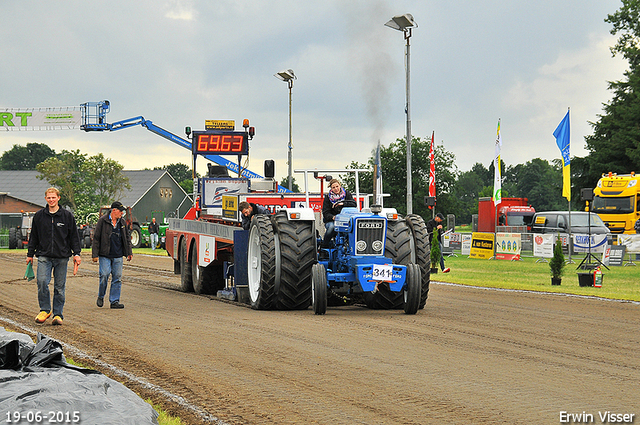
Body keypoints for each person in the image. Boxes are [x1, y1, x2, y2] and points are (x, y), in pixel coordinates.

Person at [27, 187, 82, 326]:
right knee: (41, 282)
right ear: (45, 199)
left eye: (54, 197)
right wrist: (30, 255)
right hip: (44, 256)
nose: (51, 200)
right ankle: (45, 310)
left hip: (62, 257)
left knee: (59, 287)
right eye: (49, 198)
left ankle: (58, 314)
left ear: (58, 198)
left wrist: (77, 254)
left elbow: (74, 237)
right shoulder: (39, 216)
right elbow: (33, 237)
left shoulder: (67, 216)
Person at [92, 201, 133, 309]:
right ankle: (101, 296)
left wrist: (129, 252)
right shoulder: (102, 221)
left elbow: (127, 238)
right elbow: (96, 238)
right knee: (104, 275)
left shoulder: (123, 223)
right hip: (105, 254)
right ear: (114, 210)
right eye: (120, 211)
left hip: (118, 255)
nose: (122, 213)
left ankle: (114, 301)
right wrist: (95, 255)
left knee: (117, 278)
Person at [322, 179, 355, 247]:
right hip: (333, 220)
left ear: (340, 185)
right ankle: (324, 245)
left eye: (337, 186)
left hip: (346, 220)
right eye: (333, 187)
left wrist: (342, 204)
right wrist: (333, 217)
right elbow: (326, 213)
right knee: (331, 227)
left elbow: (354, 204)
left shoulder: (347, 194)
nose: (336, 189)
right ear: (331, 188)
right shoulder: (328, 198)